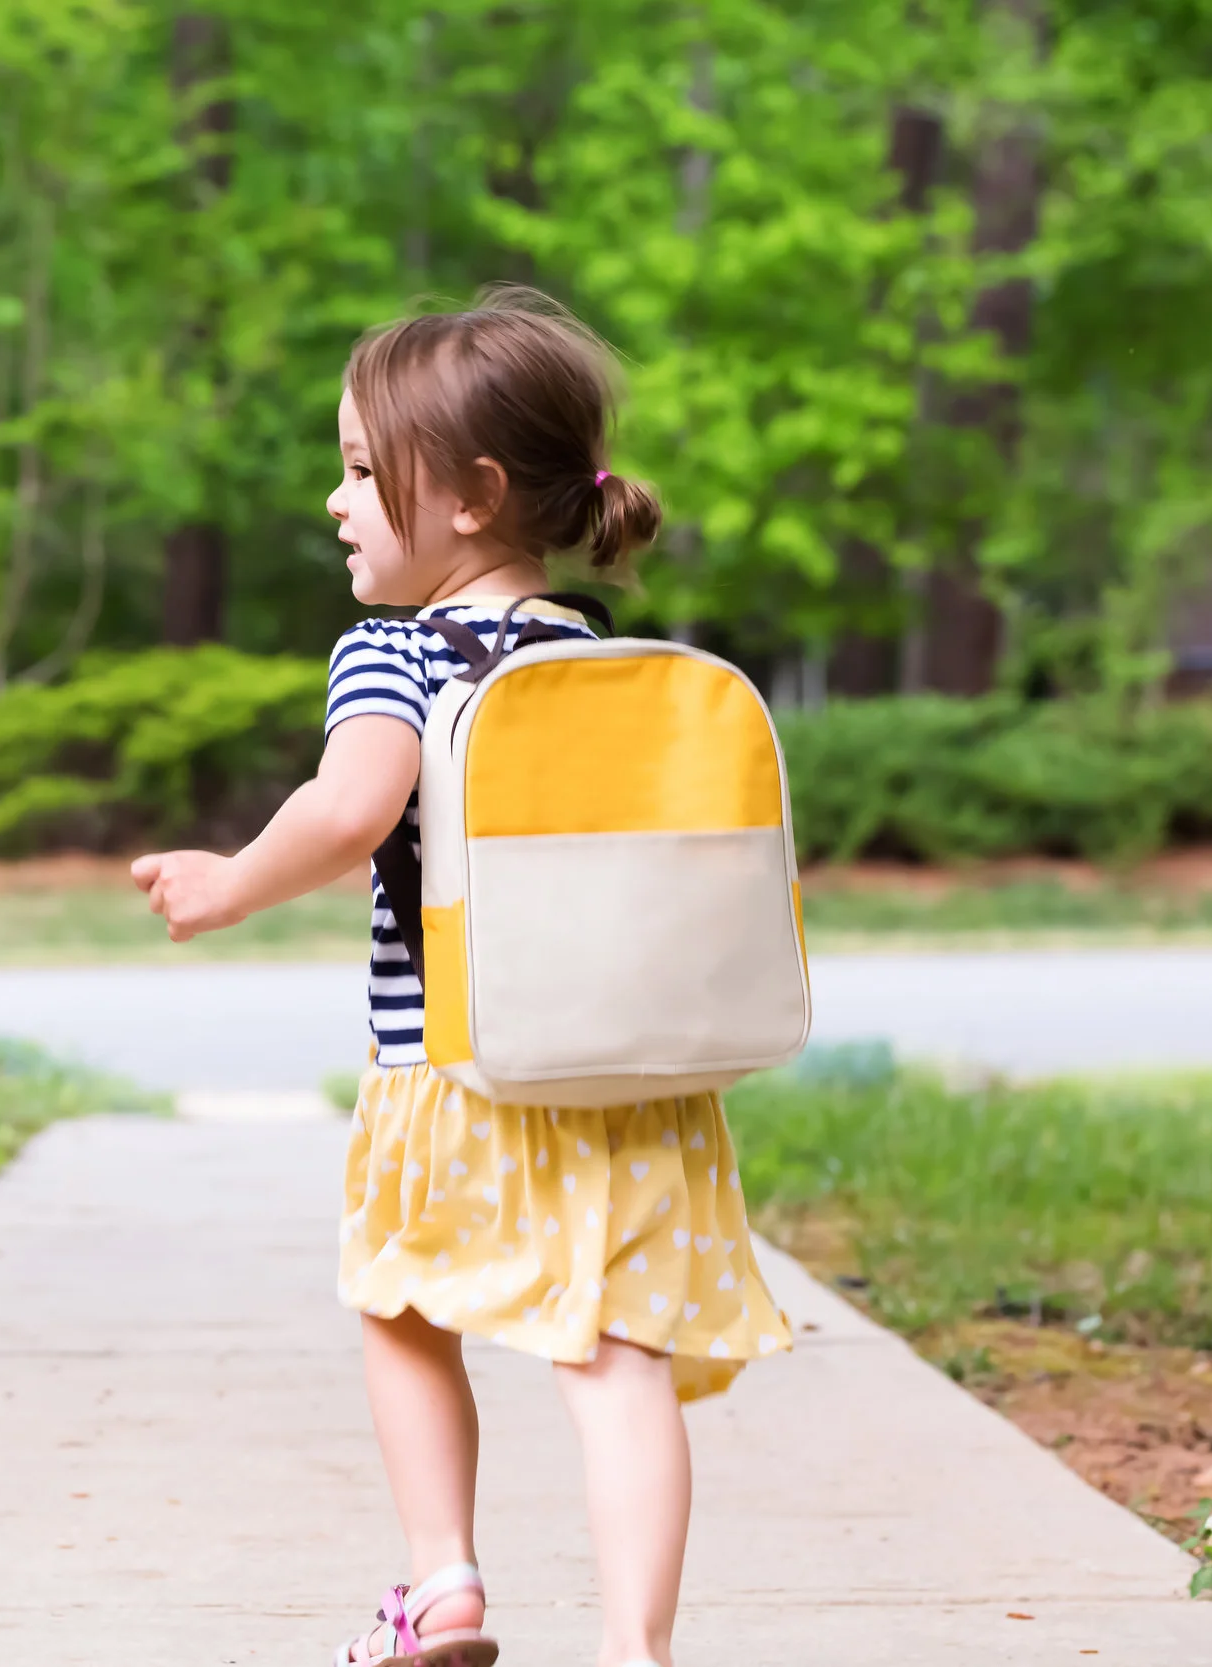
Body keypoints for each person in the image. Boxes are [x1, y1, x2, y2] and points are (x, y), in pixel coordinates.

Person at [131, 286, 792, 1667]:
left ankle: (443, 1583)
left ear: (478, 495)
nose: (337, 499)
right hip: (623, 1080)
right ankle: (639, 1648)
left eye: (367, 472)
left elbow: (350, 807)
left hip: (456, 1071)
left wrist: (229, 878)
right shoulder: (592, 653)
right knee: (615, 1359)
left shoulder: (394, 650)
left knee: (402, 1307)